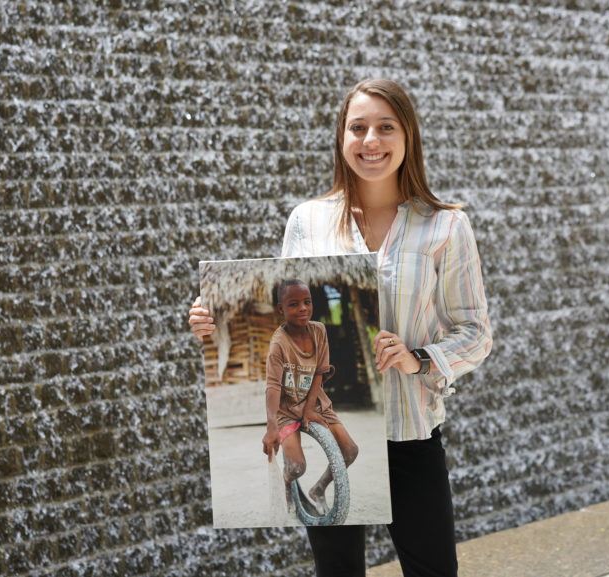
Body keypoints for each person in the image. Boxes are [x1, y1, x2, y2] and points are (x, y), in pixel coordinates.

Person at [189, 78, 493, 577]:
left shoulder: (446, 226)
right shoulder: (307, 221)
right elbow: (278, 316)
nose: (371, 140)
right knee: (337, 570)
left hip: (409, 434)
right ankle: (317, 485)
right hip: (329, 412)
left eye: (385, 127)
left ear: (408, 137)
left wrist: (418, 357)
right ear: (341, 138)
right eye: (358, 128)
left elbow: (476, 332)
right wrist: (215, 322)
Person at [263, 279, 358, 518]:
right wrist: (271, 426)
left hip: (316, 401)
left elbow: (319, 372)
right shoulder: (278, 345)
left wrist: (308, 410)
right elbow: (273, 386)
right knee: (297, 467)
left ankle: (318, 489)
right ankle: (287, 483)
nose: (303, 308)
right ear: (280, 310)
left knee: (350, 451)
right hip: (286, 410)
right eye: (294, 304)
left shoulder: (319, 331)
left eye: (307, 302)